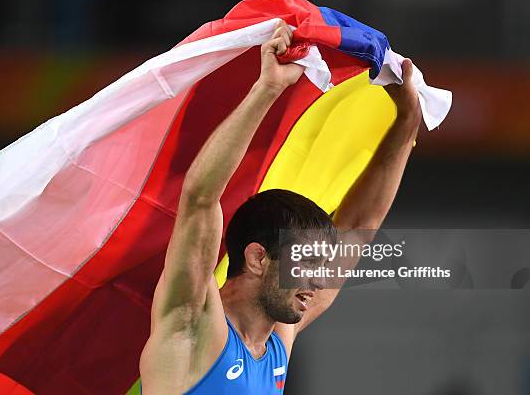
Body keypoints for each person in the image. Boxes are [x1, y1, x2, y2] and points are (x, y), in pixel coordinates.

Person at [139, 20, 422, 394]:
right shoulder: (191, 323)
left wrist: (407, 121)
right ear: (258, 258)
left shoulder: (277, 342)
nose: (320, 280)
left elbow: (358, 224)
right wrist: (267, 88)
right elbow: (200, 199)